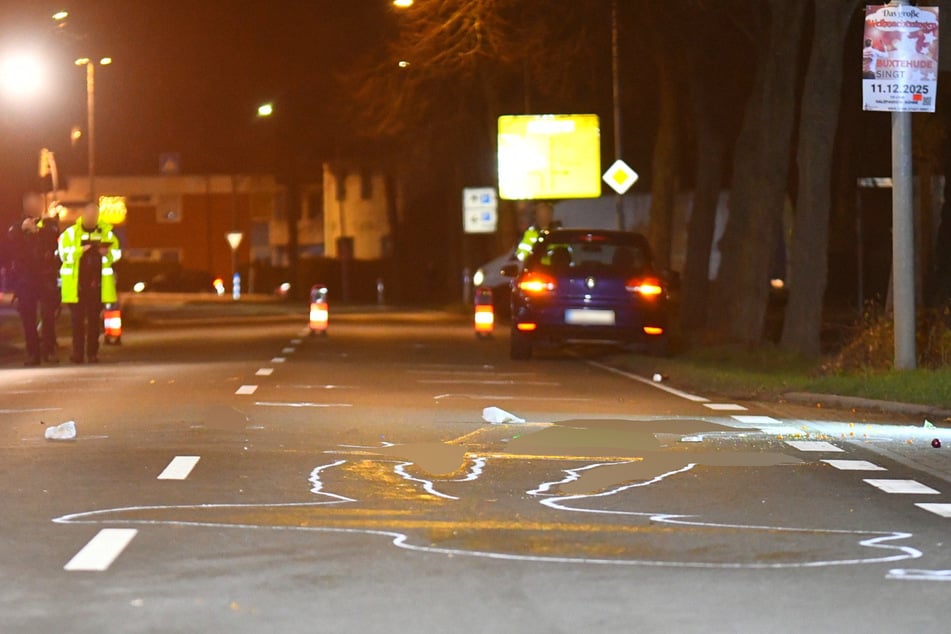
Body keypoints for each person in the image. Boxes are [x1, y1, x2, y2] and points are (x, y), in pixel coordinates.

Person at [58, 202, 121, 364]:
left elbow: (117, 254)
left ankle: (92, 353)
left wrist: (106, 253)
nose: (92, 218)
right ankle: (78, 354)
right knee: (77, 323)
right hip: (77, 287)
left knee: (94, 322)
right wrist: (81, 250)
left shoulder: (107, 233)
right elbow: (63, 255)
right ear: (83, 214)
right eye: (89, 214)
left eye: (95, 215)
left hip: (98, 287)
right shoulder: (71, 234)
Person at [3, 193, 61, 366]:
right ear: (24, 206)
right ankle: (32, 353)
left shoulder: (49, 225)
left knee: (48, 316)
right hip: (25, 279)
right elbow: (10, 241)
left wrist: (36, 232)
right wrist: (23, 229)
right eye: (30, 203)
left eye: (37, 203)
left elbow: (53, 242)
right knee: (28, 318)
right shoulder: (16, 226)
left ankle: (49, 350)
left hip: (45, 277)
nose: (34, 206)